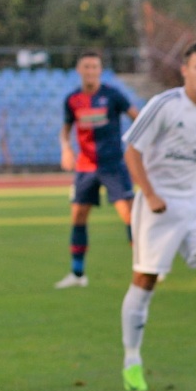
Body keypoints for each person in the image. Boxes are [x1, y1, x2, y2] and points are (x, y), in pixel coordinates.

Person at [118, 40, 196, 391]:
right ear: (185, 70)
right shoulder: (163, 105)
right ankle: (132, 361)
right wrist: (150, 193)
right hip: (159, 204)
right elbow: (132, 152)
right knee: (145, 281)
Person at [55, 51, 140, 288]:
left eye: (94, 67)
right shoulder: (72, 99)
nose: (90, 71)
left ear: (100, 70)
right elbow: (65, 129)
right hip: (85, 167)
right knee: (78, 217)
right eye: (86, 67)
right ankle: (77, 274)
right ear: (78, 70)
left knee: (130, 216)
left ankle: (146, 267)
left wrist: (136, 146)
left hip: (113, 165)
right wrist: (65, 148)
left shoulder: (113, 95)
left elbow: (138, 117)